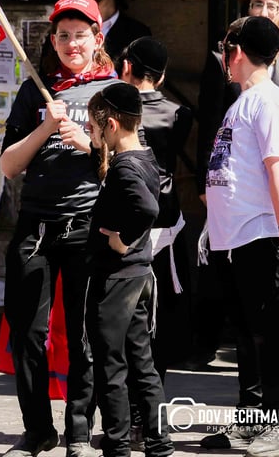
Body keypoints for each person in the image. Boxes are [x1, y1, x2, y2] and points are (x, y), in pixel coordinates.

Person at [0, 0, 120, 457]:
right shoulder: (36, 88)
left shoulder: (112, 93)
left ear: (97, 38)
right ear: (53, 39)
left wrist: (90, 144)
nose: (73, 44)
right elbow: (9, 166)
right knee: (27, 328)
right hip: (37, 226)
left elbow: (131, 165)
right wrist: (46, 128)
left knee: (84, 332)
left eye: (81, 35)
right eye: (64, 35)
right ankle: (37, 429)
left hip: (87, 224)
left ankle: (77, 430)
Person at [192, 0, 279, 368]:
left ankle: (269, 404)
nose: (265, 11)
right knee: (235, 280)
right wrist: (207, 180)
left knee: (265, 296)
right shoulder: (223, 60)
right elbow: (210, 122)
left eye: (272, 6)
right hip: (235, 179)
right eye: (256, 5)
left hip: (275, 179)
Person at [201, 16, 279, 457]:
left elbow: (277, 168)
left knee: (268, 328)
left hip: (260, 234)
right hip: (232, 239)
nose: (225, 58)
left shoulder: (269, 102)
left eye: (227, 50)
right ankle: (249, 419)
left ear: (237, 52)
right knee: (245, 332)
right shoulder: (240, 102)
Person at [83, 83, 175, 457]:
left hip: (118, 275)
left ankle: (118, 444)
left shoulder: (124, 166)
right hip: (137, 274)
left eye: (94, 127)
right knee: (142, 362)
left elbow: (148, 210)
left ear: (113, 125)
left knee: (111, 363)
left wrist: (123, 239)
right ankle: (159, 440)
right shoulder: (146, 156)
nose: (93, 133)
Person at [119, 36, 193, 375]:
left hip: (122, 216)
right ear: (161, 77)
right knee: (157, 312)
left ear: (126, 67)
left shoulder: (113, 109)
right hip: (164, 218)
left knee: (120, 312)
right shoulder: (180, 114)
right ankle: (152, 399)